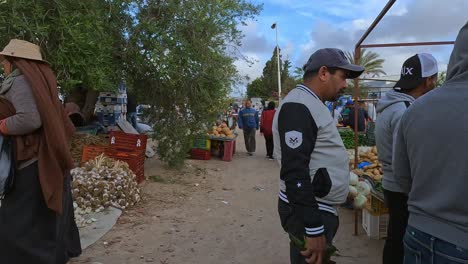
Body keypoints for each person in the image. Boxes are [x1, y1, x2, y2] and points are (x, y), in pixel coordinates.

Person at [273, 48, 364, 264]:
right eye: (343, 77)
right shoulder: (298, 106)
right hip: (309, 210)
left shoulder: (310, 103)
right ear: (324, 73)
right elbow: (294, 171)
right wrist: (313, 228)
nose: (345, 85)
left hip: (317, 206)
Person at [0, 39, 81, 263]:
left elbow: (30, 119)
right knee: (44, 215)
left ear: (16, 61)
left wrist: (2, 125)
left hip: (33, 161)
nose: (3, 65)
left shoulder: (21, 82)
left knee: (19, 217)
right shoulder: (41, 80)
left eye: (5, 61)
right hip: (46, 156)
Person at [393, 22, 468, 263]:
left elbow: (402, 177)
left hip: (417, 231)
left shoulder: (414, 111)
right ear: (429, 79)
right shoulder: (406, 109)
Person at [375, 53, 438, 264]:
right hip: (403, 187)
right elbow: (406, 157)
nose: (436, 83)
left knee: (395, 236)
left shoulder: (390, 106)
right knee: (401, 240)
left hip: (391, 183)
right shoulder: (406, 110)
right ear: (427, 80)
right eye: (435, 78)